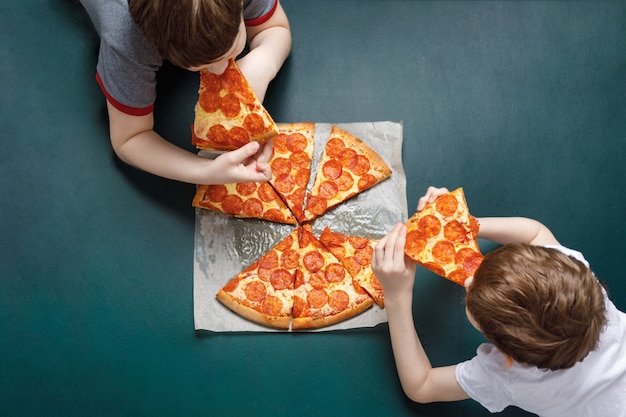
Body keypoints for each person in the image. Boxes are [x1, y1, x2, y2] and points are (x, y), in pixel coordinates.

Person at [371, 186, 626, 416]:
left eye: (471, 299)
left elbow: (422, 386)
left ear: (504, 355)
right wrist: (461, 224)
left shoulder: (507, 376)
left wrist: (396, 297)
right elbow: (536, 233)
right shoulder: (578, 285)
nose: (470, 282)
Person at [79, 0, 292, 184]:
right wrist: (206, 171)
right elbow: (129, 139)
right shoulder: (126, 38)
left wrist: (264, 61)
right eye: (200, 66)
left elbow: (274, 28)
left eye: (232, 50)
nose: (220, 70)